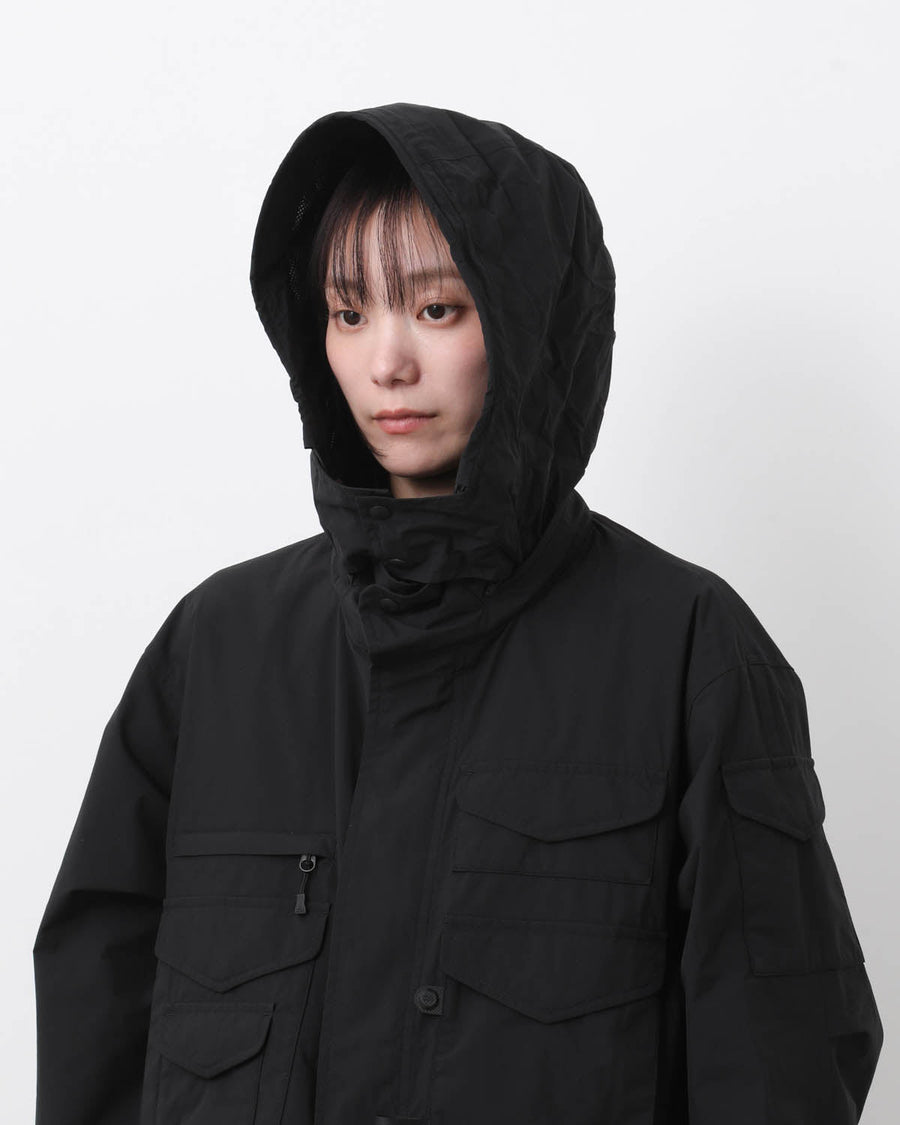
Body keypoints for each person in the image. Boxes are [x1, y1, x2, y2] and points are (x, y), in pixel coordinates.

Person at [33, 102, 883, 1125]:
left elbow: (780, 1064)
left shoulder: (689, 652)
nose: (386, 363)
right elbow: (95, 1030)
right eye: (350, 313)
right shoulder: (217, 649)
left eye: (437, 309)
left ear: (532, 325)